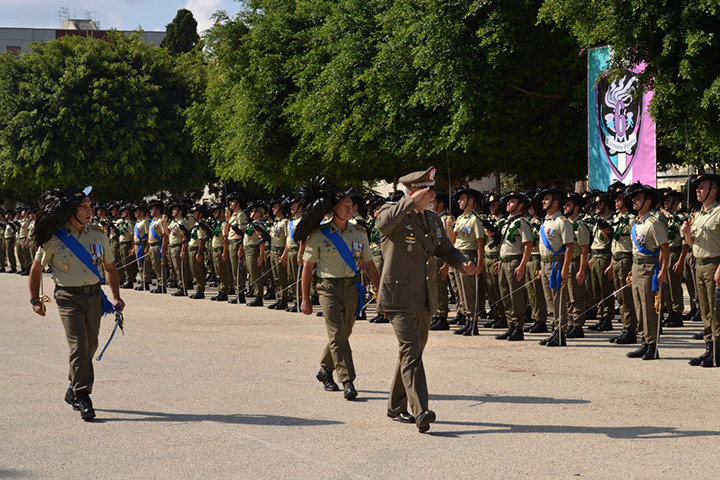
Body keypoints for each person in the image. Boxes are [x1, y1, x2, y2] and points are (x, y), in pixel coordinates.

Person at [375, 166, 474, 433]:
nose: (433, 195)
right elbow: (382, 225)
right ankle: (421, 411)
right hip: (398, 296)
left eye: (432, 190)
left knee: (412, 352)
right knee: (411, 350)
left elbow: (446, 250)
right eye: (427, 190)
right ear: (413, 191)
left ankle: (395, 406)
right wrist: (408, 201)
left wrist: (463, 262)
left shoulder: (433, 219)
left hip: (424, 296)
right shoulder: (392, 212)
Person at [28, 186, 125, 421]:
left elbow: (110, 268)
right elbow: (36, 268)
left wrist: (115, 297)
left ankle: (72, 389)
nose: (89, 210)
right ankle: (83, 396)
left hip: (93, 297)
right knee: (79, 347)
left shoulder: (98, 235)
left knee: (90, 347)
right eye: (83, 207)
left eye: (90, 206)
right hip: (68, 298)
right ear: (71, 211)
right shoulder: (54, 239)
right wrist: (35, 300)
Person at [295, 177, 380, 401]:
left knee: (343, 334)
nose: (350, 209)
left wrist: (380, 288)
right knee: (336, 335)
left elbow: (369, 263)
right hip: (328, 289)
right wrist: (305, 299)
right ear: (333, 209)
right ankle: (348, 381)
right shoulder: (318, 235)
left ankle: (325, 370)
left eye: (351, 205)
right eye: (345, 206)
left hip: (353, 288)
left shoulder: (359, 232)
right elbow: (307, 268)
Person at [625, 183, 669, 360]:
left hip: (649, 268)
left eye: (638, 199)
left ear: (648, 202)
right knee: (638, 306)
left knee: (650, 308)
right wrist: (631, 269)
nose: (634, 201)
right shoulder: (636, 223)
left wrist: (663, 271)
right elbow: (635, 249)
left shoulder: (653, 223)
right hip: (637, 267)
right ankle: (644, 340)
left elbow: (665, 249)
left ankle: (652, 345)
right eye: (634, 199)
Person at [681, 173, 720, 366]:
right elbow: (692, 243)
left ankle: (718, 351)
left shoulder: (719, 212)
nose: (697, 190)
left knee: (716, 310)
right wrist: (687, 234)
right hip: (700, 264)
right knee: (704, 308)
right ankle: (709, 348)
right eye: (697, 188)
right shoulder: (698, 215)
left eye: (702, 187)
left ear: (713, 191)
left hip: (715, 264)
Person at [537, 188, 574, 347]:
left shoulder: (562, 222)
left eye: (547, 199)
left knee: (558, 298)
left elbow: (570, 246)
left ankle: (560, 332)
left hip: (556, 264)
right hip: (545, 263)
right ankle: (554, 329)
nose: (543, 202)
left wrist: (565, 268)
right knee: (549, 299)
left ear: (556, 202)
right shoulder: (545, 222)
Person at [448, 188, 486, 336]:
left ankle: (473, 323)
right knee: (461, 291)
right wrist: (449, 227)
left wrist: (479, 265)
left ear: (470, 201)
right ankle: (468, 321)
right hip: (458, 255)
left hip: (468, 255)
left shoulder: (474, 220)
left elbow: (480, 244)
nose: (459, 201)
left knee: (469, 291)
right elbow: (453, 240)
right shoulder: (461, 219)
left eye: (462, 199)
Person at [496, 192, 533, 341]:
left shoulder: (522, 222)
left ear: (520, 205)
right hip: (503, 261)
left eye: (511, 202)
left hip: (514, 262)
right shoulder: (508, 222)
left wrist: (522, 265)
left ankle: (518, 327)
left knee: (515, 295)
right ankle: (511, 324)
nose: (507, 204)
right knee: (505, 295)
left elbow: (528, 245)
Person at [187, 204, 209, 299]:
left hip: (196, 249)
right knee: (194, 271)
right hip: (192, 249)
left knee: (198, 271)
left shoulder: (201, 225)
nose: (193, 215)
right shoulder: (197, 224)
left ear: (200, 214)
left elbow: (201, 240)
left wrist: (199, 253)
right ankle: (198, 289)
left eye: (195, 213)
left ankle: (200, 290)